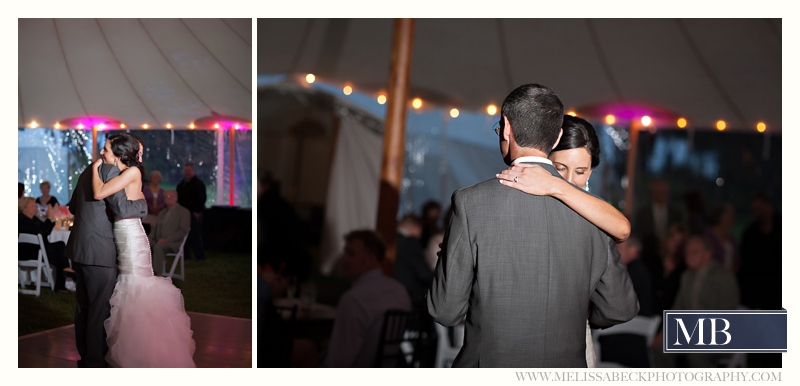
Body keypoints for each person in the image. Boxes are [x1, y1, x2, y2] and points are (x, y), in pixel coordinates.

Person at [428, 83, 638, 367]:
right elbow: (621, 307)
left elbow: (445, 310)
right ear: (557, 137)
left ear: (506, 129)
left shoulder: (470, 203)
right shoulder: (593, 214)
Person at [495, 114, 632, 367]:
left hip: (572, 343)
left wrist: (583, 313)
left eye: (581, 171)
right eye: (559, 168)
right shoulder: (515, 196)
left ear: (591, 170)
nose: (570, 180)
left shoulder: (591, 214)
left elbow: (623, 229)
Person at [89, 134, 195, 367]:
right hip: (124, 233)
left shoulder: (132, 172)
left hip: (131, 237)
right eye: (140, 151)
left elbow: (99, 193)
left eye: (105, 149)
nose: (101, 153)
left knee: (135, 286)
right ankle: (135, 351)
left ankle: (148, 353)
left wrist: (96, 169)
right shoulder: (124, 172)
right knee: (129, 287)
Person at [66, 133, 147, 367]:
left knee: (84, 307)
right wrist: (143, 202)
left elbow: (73, 207)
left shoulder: (86, 172)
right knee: (99, 309)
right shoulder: (110, 172)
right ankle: (95, 362)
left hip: (79, 248)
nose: (103, 153)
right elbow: (123, 207)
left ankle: (85, 356)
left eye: (106, 149)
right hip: (99, 250)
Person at [323, 230, 411, 367]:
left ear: (371, 258)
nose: (343, 259)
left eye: (350, 253)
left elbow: (338, 363)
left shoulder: (354, 299)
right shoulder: (400, 290)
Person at [653, 235, 739, 368]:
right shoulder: (687, 276)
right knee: (659, 348)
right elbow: (678, 309)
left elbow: (726, 316)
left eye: (694, 252)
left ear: (707, 253)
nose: (689, 256)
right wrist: (665, 331)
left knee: (696, 355)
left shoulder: (724, 278)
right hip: (691, 333)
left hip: (717, 334)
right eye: (686, 253)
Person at [18, 196, 72, 293]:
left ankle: (65, 270)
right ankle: (64, 274)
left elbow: (46, 230)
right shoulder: (21, 220)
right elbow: (42, 231)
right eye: (33, 205)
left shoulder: (33, 218)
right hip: (28, 253)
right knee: (59, 252)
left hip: (37, 250)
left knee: (60, 245)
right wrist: (49, 217)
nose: (36, 207)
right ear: (24, 208)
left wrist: (51, 218)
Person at [393, 214, 433, 311]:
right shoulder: (410, 242)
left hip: (390, 294)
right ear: (417, 228)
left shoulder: (389, 239)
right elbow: (424, 274)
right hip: (410, 300)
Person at [149, 189, 190, 277]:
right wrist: (150, 237)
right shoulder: (163, 212)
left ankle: (157, 275)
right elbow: (155, 228)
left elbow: (183, 231)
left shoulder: (184, 212)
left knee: (158, 247)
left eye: (172, 196)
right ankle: (143, 272)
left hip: (173, 242)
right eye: (167, 197)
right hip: (159, 240)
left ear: (176, 198)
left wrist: (167, 239)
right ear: (164, 199)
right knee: (143, 245)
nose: (169, 198)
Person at [177, 163, 206, 261]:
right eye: (185, 171)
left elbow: (201, 198)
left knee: (195, 234)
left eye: (188, 170)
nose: (187, 173)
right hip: (184, 213)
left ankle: (200, 256)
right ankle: (186, 255)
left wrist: (197, 211)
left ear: (193, 171)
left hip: (194, 213)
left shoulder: (198, 184)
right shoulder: (182, 184)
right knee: (185, 234)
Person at [704, 203, 739, 272]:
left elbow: (737, 260)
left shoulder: (731, 238)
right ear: (721, 216)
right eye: (730, 214)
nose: (733, 217)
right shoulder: (707, 237)